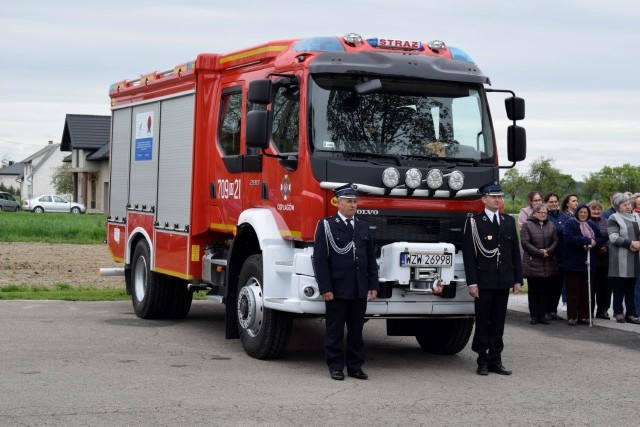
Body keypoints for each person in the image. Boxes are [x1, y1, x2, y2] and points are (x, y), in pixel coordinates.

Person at [313, 184, 379, 380]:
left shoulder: (363, 226)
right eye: (349, 202)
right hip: (337, 288)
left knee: (356, 331)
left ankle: (355, 366)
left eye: (355, 202)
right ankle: (335, 366)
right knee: (335, 330)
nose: (353, 205)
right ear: (339, 203)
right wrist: (325, 287)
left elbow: (370, 259)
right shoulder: (327, 225)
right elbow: (320, 260)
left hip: (359, 287)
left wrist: (373, 285)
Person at [463, 183, 522, 376]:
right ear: (484, 199)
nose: (497, 199)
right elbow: (470, 256)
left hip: (503, 279)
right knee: (483, 321)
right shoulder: (475, 223)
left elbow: (514, 253)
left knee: (498, 322)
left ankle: (496, 359)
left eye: (499, 196)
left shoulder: (507, 221)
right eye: (493, 196)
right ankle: (482, 359)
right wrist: (472, 282)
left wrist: (517, 279)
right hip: (484, 281)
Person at [563, 204, 606, 325]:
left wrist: (594, 243)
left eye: (585, 212)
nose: (583, 214)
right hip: (573, 264)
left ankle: (584, 315)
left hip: (589, 263)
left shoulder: (591, 224)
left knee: (586, 291)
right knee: (573, 291)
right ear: (577, 212)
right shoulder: (570, 224)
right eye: (581, 212)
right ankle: (572, 316)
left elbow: (601, 237)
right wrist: (587, 241)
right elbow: (570, 238)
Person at [520, 203, 560, 325]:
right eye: (541, 212)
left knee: (544, 290)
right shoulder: (527, 225)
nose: (543, 215)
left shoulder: (551, 224)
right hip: (533, 262)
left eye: (545, 213)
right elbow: (525, 243)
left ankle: (542, 315)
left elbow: (556, 241)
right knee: (533, 291)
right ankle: (534, 316)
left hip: (547, 262)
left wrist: (548, 251)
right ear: (535, 213)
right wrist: (539, 252)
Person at [606, 193, 640, 324]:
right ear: (617, 207)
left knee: (631, 287)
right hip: (620, 258)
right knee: (619, 287)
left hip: (634, 257)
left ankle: (631, 314)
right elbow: (613, 237)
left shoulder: (636, 217)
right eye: (624, 205)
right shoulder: (614, 217)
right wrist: (631, 243)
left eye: (628, 204)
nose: (628, 206)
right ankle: (618, 312)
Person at [544, 192, 568, 319]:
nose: (553, 204)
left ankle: (553, 310)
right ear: (546, 203)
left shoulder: (563, 216)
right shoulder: (545, 216)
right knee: (549, 285)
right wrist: (562, 229)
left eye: (555, 202)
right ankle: (546, 310)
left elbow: (569, 228)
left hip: (562, 255)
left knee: (558, 285)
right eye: (551, 202)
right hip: (550, 255)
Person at [587, 200, 612, 319]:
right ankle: (589, 311)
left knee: (604, 287)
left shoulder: (606, 222)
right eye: (594, 209)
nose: (596, 211)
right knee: (591, 286)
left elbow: (610, 237)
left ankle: (602, 310)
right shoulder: (586, 222)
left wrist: (605, 246)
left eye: (598, 209)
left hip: (605, 259)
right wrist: (597, 247)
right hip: (591, 257)